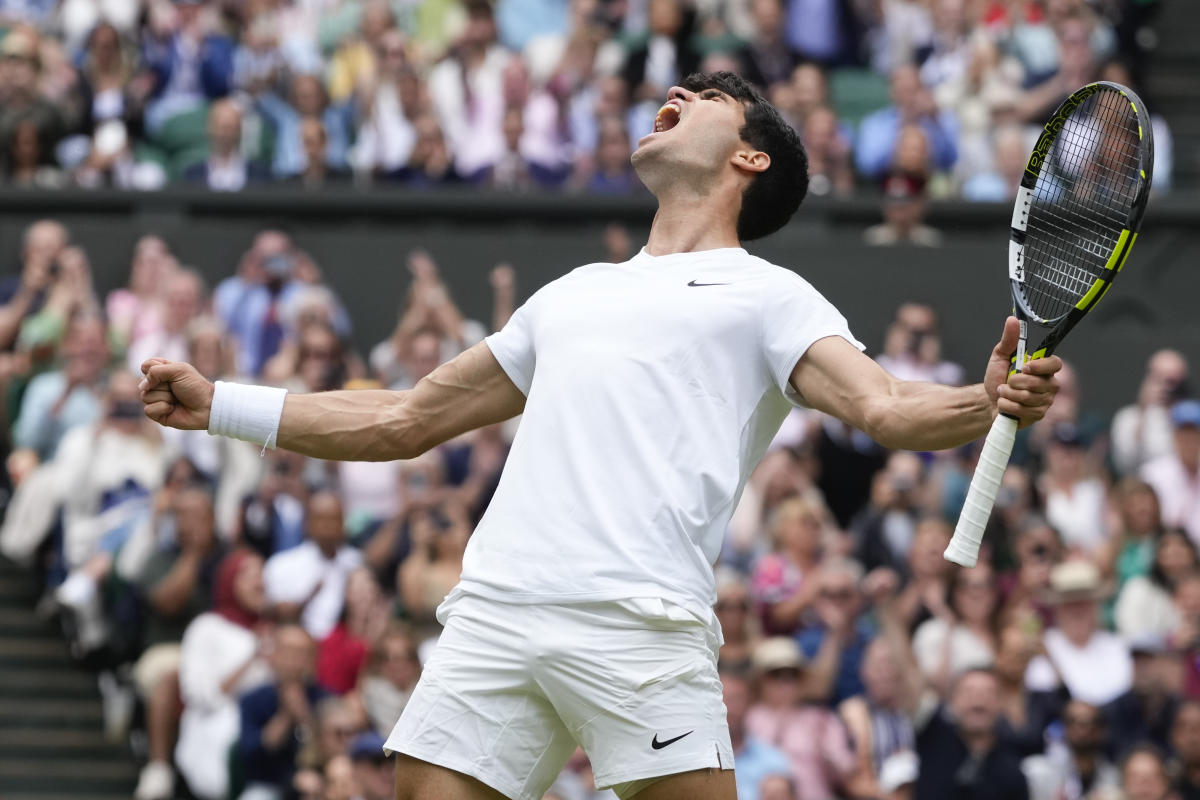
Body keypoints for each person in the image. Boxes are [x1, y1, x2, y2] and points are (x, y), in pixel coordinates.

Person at [139, 71, 1061, 800]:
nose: (683, 94)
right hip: (498, 611)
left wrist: (985, 402)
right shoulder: (570, 294)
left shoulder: (772, 296)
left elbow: (886, 408)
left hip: (640, 623)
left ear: (749, 160)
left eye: (710, 95)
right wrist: (221, 401)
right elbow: (403, 417)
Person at [914, 668, 1030, 800]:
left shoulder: (1012, 768)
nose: (978, 699)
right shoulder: (930, 739)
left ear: (1001, 704)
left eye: (988, 693)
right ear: (952, 701)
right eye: (968, 692)